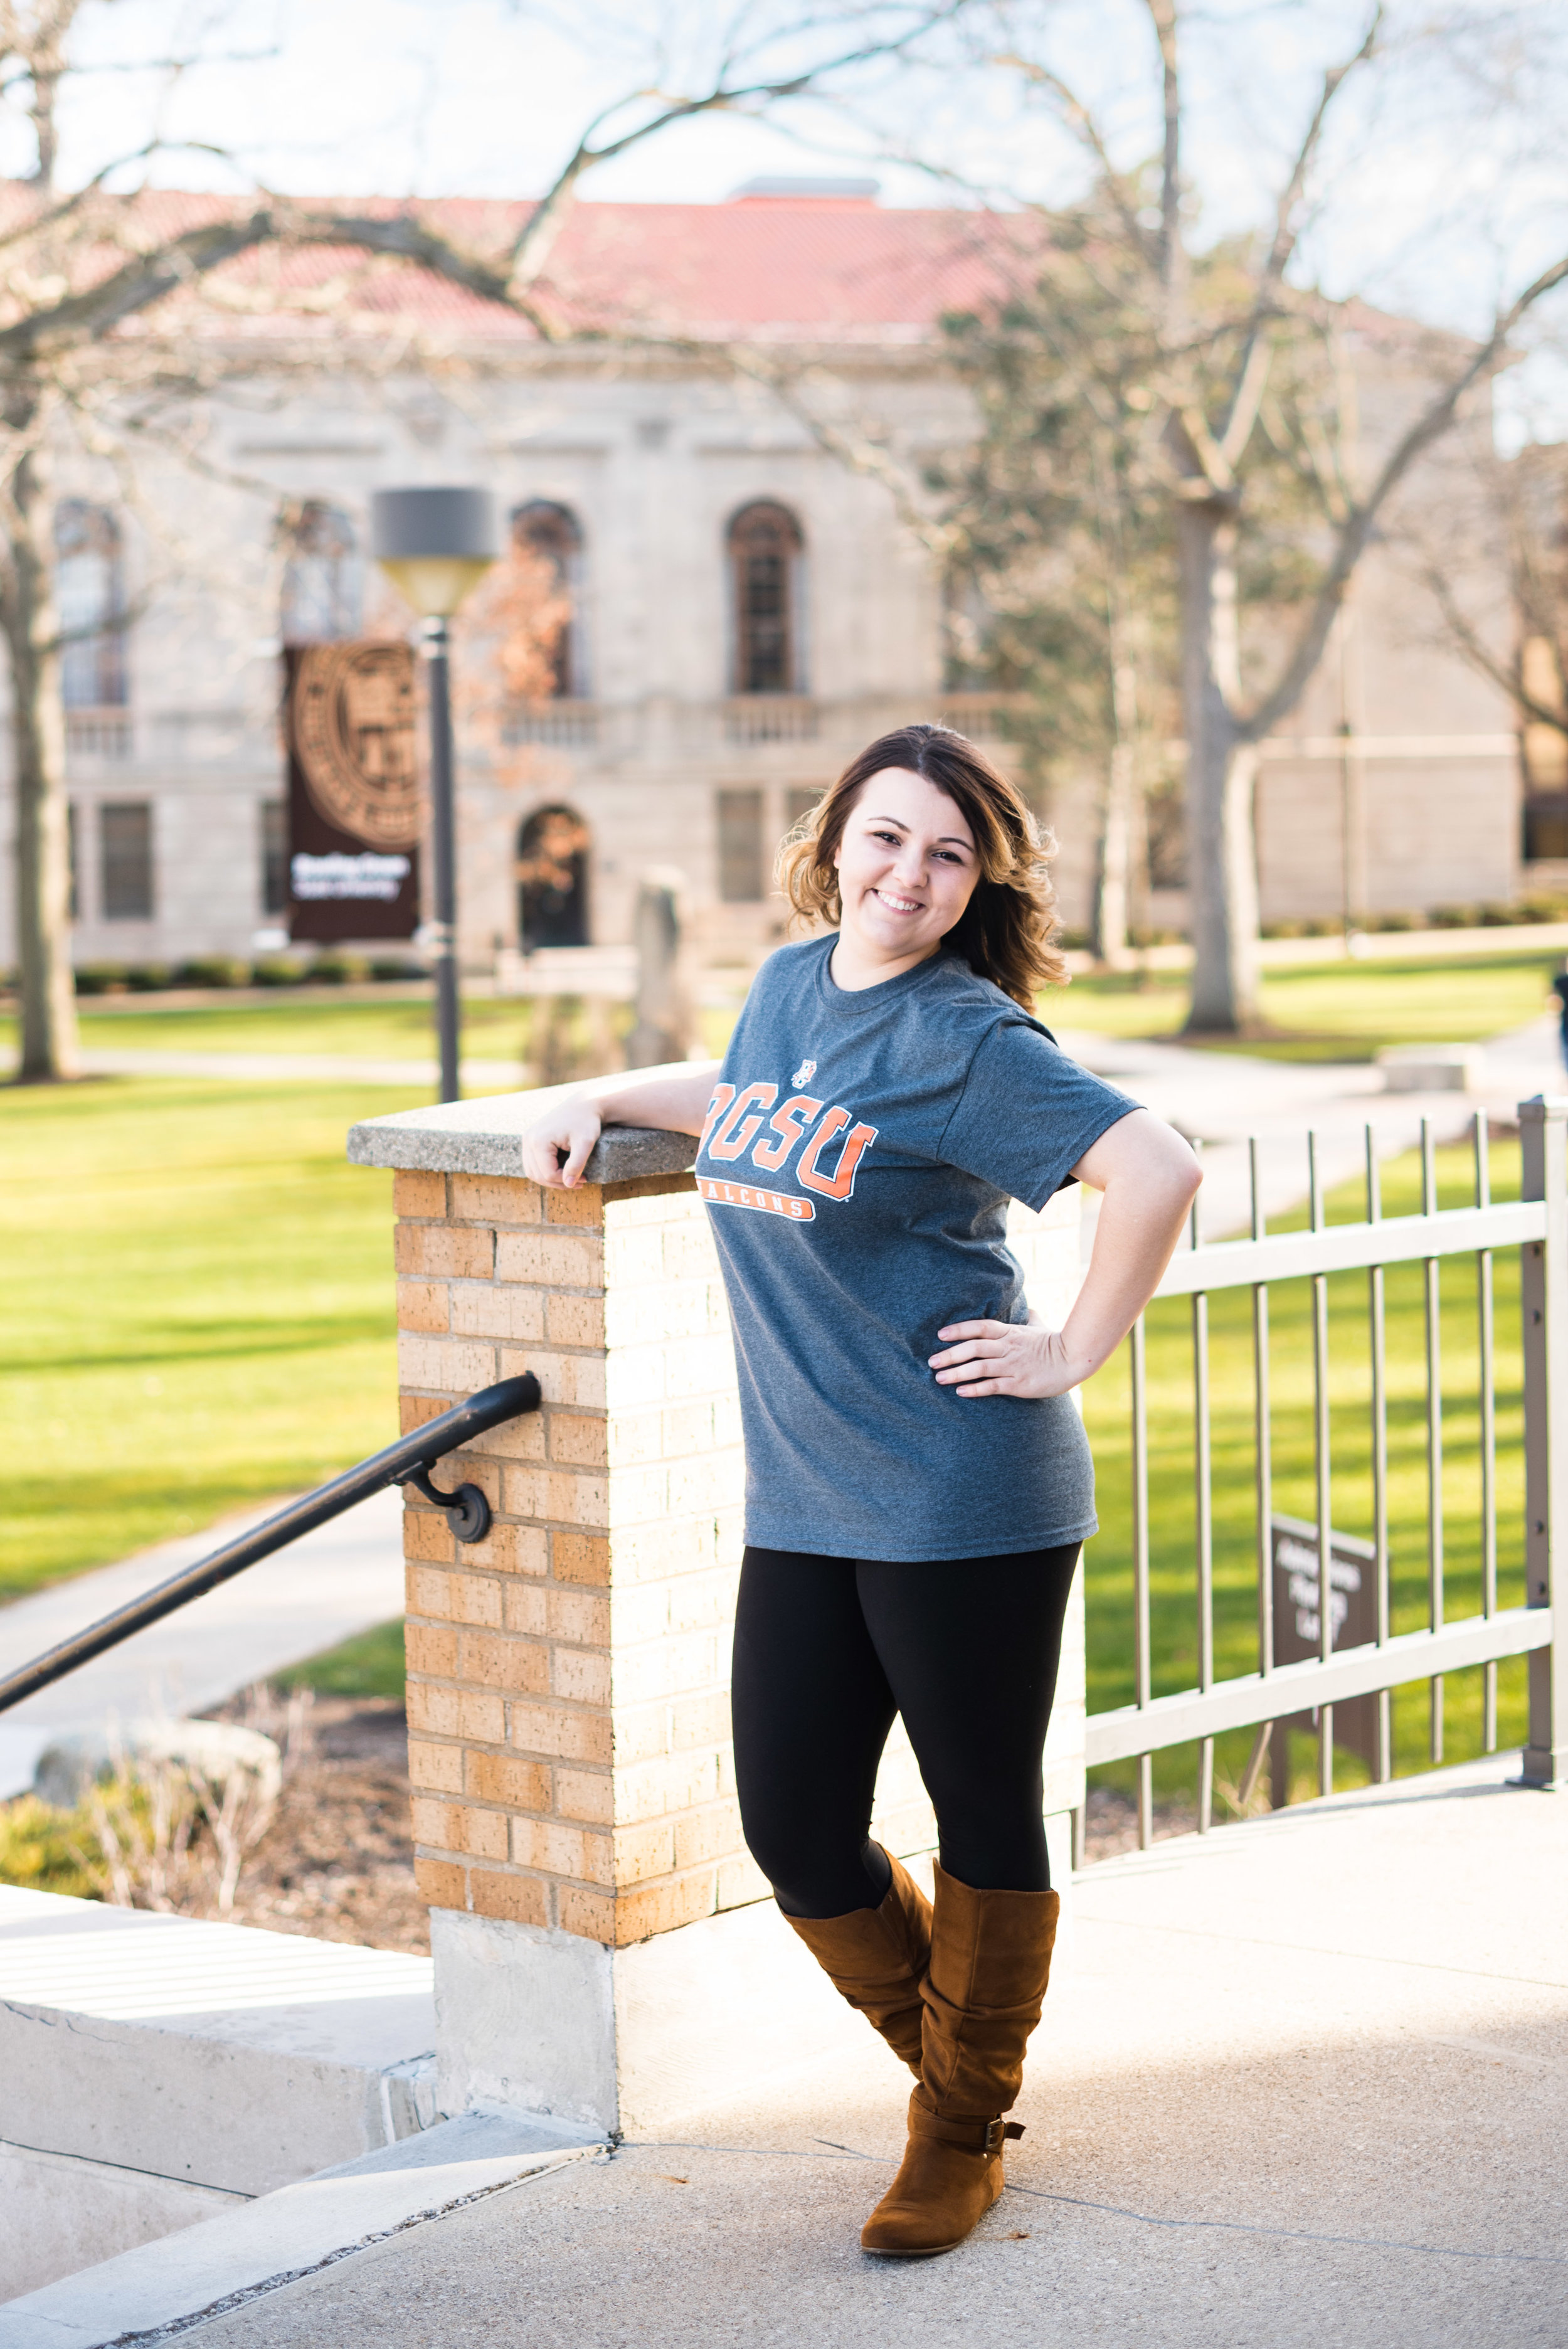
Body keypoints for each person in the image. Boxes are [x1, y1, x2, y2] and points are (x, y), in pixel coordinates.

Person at [522, 724, 1200, 2259]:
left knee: (976, 1815)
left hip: (964, 1488)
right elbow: (751, 1094)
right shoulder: (786, 983)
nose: (907, 875)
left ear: (976, 886)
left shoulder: (972, 1043)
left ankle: (955, 2131)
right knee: (797, 1829)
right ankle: (964, 2077)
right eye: (884, 839)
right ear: (832, 843)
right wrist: (598, 1088)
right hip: (808, 1495)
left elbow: (1155, 1166)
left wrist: (1067, 1347)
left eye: (947, 855)